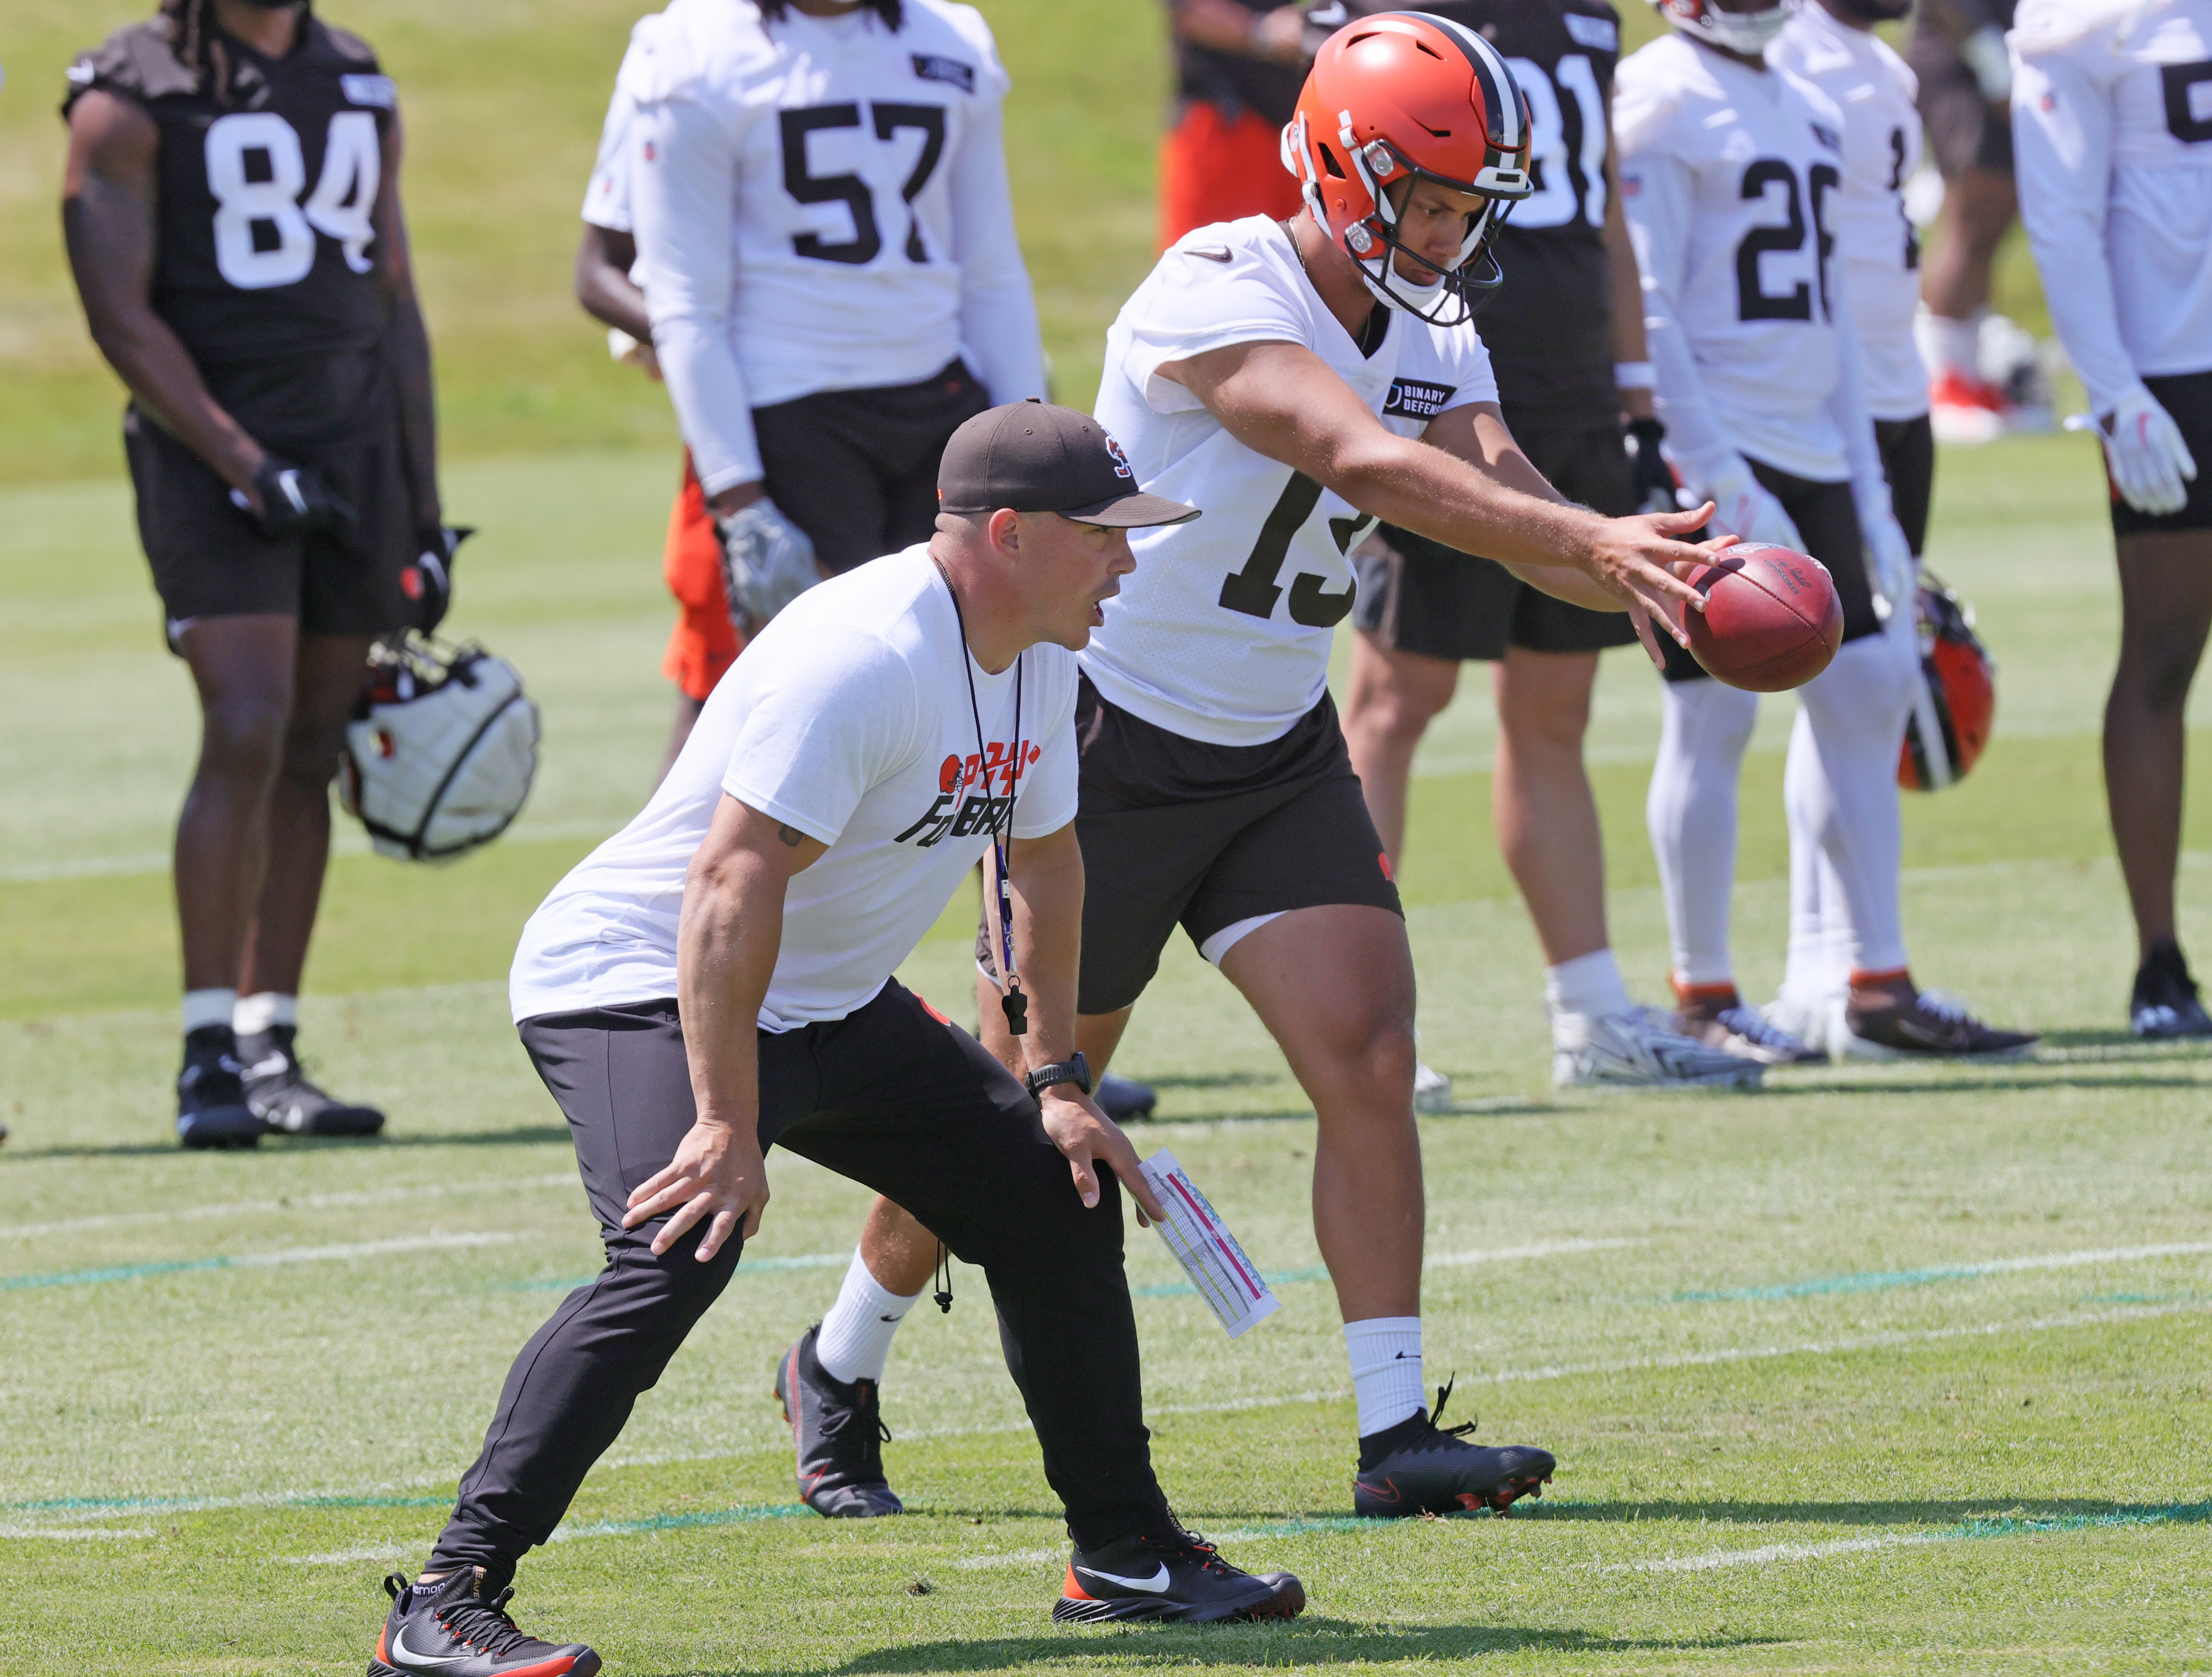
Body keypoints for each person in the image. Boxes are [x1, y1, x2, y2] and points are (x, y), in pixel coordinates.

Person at [784, 11, 1727, 1528]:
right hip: (1108, 747)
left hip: (1277, 746)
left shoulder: (1432, 319)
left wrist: (1649, 569)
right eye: (1426, 199)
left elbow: (1496, 479)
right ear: (1344, 174)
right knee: (1022, 1118)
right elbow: (1354, 456)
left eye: (1465, 205)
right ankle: (839, 1355)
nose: (1447, 229)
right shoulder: (1218, 281)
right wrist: (1591, 544)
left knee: (1365, 1051)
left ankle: (1395, 1423)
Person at [366, 405, 1308, 1676]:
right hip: (637, 979)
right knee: (681, 1242)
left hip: (821, 1000)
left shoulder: (1040, 646)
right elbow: (727, 885)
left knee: (1055, 1187)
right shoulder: (864, 653)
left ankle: (1126, 1559)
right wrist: (723, 1120)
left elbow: (1039, 862)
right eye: (1106, 538)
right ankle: (444, 1601)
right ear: (1012, 534)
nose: (1128, 566)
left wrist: (1056, 1079)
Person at [1333, 0, 1772, 1091]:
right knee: (1398, 699)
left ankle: (1590, 1012)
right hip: (1437, 374)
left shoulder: (1586, 16)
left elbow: (1609, 210)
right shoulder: (1407, 21)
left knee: (1554, 709)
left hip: (1570, 373)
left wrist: (1632, 391)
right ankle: (1361, 1021)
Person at [1622, 0, 2035, 1060]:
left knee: (1870, 685)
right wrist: (1709, 464)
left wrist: (1866, 486)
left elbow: (1843, 320)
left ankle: (1875, 982)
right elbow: (1649, 303)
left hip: (1815, 443)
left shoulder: (1803, 99)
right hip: (1716, 447)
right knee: (1711, 719)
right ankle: (1703, 994)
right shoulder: (1661, 92)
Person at [62, 0, 440, 1147]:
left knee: (313, 737)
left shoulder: (357, 75)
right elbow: (117, 315)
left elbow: (392, 295)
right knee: (247, 717)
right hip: (207, 447)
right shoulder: (126, 91)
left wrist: (419, 504)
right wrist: (244, 460)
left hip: (350, 442)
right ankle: (204, 1051)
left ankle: (273, 1039)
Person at [2010, 0, 2212, 1037]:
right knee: (2164, 652)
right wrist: (2111, 385)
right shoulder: (2086, 19)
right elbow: (2057, 213)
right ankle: (2158, 963)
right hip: (2173, 372)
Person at [1766, 0, 1939, 1040]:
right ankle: (1821, 962)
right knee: (1834, 678)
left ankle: (1834, 962)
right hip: (1827, 406)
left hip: (1895, 394)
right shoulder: (1789, 59)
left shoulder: (1883, 68)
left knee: (1860, 686)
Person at [572, 9, 740, 787]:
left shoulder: (912, 35)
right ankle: (663, 909)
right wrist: (689, 339)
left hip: (893, 412)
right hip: (743, 428)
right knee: (718, 696)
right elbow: (607, 265)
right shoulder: (678, 44)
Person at [1910, 0, 2022, 442]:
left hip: (1997, 59)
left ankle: (1970, 377)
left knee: (1991, 225)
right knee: (1971, 218)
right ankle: (1944, 382)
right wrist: (1995, 67)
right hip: (1961, 62)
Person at [1157, 0, 1316, 249]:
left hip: (1295, 129)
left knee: (1297, 268)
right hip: (1227, 123)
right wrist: (1262, 32)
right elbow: (1189, 10)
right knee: (1211, 265)